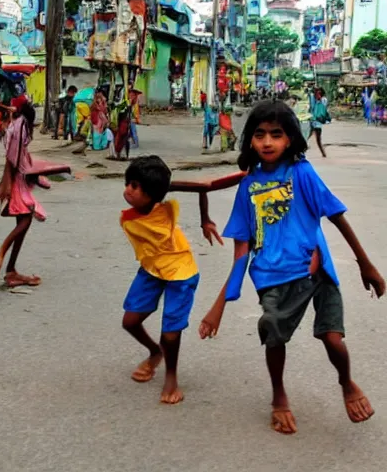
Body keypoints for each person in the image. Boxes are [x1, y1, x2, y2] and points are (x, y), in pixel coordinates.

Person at [197, 100, 387, 434]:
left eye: (276, 134)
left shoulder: (302, 172)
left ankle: (346, 382)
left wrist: (365, 264)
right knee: (273, 335)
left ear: (290, 139)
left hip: (316, 268)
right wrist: (218, 307)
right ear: (250, 141)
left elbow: (336, 216)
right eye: (259, 135)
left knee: (332, 338)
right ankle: (279, 396)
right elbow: (241, 250)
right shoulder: (247, 186)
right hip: (271, 275)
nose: (267, 142)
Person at [118, 155, 244, 404]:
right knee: (130, 321)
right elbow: (199, 187)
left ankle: (171, 377)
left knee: (171, 332)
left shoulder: (159, 197)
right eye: (128, 183)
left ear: (152, 192)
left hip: (180, 270)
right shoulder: (144, 201)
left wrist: (205, 219)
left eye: (134, 186)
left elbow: (204, 187)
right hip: (152, 268)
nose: (128, 191)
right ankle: (155, 352)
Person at [0, 96, 70, 287]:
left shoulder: (16, 121)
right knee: (25, 220)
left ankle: (11, 270)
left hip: (20, 175)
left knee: (23, 222)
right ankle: (0, 255)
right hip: (17, 178)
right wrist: (5, 184)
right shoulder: (21, 125)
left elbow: (6, 109)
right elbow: (12, 158)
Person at [309, 87, 330, 158]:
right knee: (306, 136)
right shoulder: (313, 99)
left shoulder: (323, 100)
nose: (318, 95)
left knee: (318, 139)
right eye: (317, 93)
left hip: (318, 121)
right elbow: (311, 108)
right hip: (312, 120)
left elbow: (324, 109)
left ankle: (323, 153)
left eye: (319, 93)